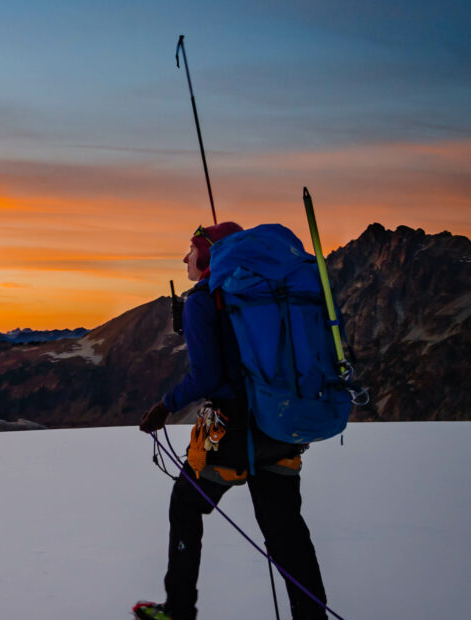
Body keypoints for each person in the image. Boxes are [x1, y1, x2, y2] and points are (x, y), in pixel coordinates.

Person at [133, 222, 328, 620]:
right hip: (280, 423)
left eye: (191, 249)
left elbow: (205, 376)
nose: (185, 257)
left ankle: (180, 610)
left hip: (232, 432)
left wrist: (165, 406)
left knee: (186, 506)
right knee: (287, 531)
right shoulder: (269, 295)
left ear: (208, 255)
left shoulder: (204, 301)